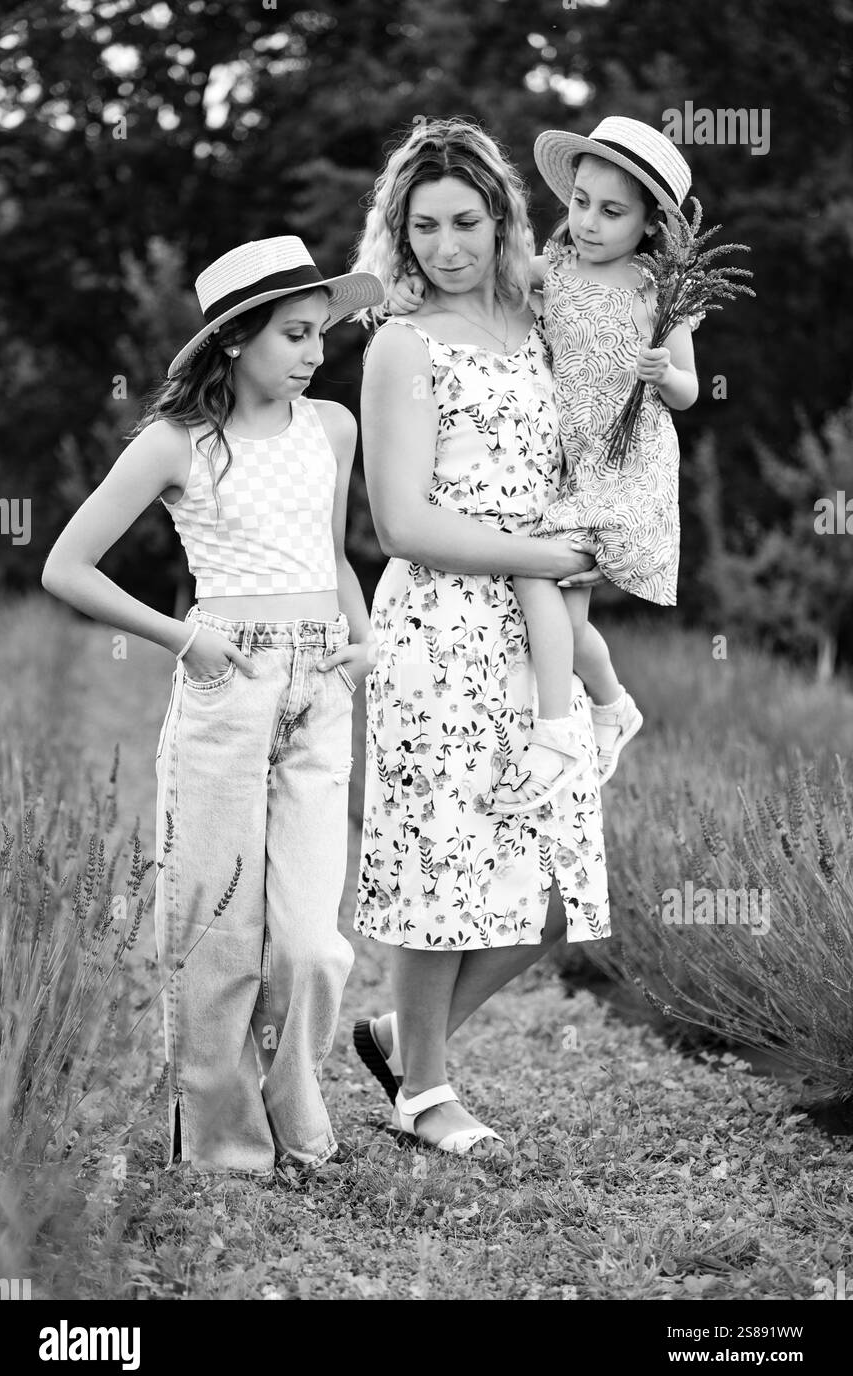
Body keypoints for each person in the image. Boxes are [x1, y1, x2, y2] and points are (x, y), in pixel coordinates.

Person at [41, 236, 384, 1174]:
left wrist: (363, 648)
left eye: (322, 333)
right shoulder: (175, 443)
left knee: (314, 943)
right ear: (235, 339)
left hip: (321, 685)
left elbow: (331, 554)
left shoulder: (333, 429)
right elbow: (65, 567)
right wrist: (185, 636)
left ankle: (290, 1093)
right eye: (294, 334)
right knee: (217, 932)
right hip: (228, 685)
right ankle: (225, 1144)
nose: (316, 352)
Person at [348, 118, 610, 1157]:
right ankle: (426, 1093)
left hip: (539, 633)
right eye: (424, 228)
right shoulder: (401, 345)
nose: (446, 246)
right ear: (399, 234)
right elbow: (402, 522)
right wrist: (545, 557)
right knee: (440, 863)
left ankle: (400, 1044)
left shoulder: (541, 323)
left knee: (552, 889)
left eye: (466, 221)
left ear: (502, 219)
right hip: (441, 627)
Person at [393, 117, 700, 810]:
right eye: (581, 202)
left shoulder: (662, 290)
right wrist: (410, 292)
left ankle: (558, 732)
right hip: (575, 465)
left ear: (650, 224)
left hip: (628, 468)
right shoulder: (555, 268)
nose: (588, 221)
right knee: (564, 613)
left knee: (540, 582)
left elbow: (688, 389)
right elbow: (486, 289)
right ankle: (613, 705)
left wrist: (663, 375)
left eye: (612, 211)